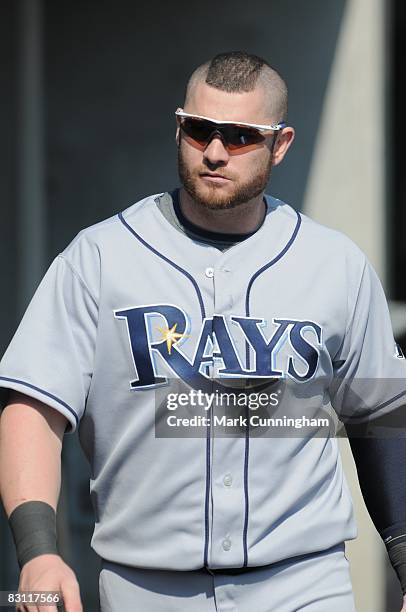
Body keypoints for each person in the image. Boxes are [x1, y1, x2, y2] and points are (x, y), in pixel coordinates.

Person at [1, 51, 406, 612]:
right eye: (199, 130)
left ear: (280, 144)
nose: (214, 151)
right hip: (144, 585)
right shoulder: (99, 257)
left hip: (302, 583)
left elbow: (380, 414)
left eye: (240, 135)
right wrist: (37, 552)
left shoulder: (334, 263)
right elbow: (33, 406)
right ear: (179, 127)